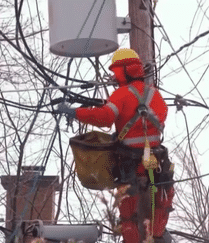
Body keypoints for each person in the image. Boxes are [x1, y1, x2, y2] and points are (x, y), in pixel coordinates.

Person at [56, 48, 174, 243]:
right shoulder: (156, 95)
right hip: (156, 164)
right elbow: (156, 120)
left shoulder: (121, 95)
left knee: (129, 215)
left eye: (116, 71)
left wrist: (75, 112)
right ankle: (157, 236)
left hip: (130, 166)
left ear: (125, 70)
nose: (113, 76)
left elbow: (105, 117)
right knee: (158, 207)